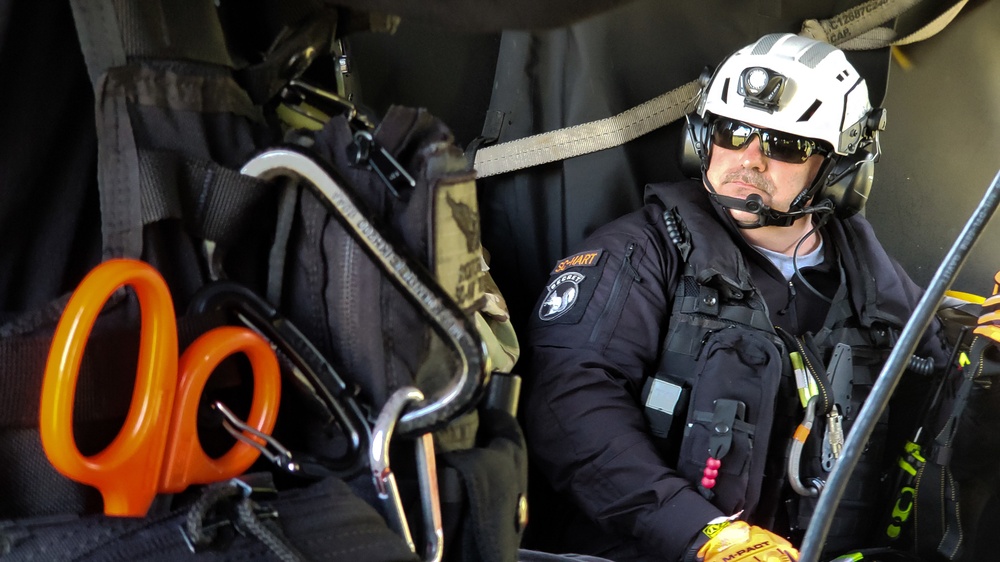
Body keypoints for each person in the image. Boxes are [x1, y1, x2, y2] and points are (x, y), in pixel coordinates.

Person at [521, 33, 950, 562]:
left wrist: (984, 363)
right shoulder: (638, 254)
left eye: (786, 145)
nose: (749, 159)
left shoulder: (880, 286)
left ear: (841, 168)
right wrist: (699, 533)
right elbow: (569, 406)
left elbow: (940, 416)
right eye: (734, 132)